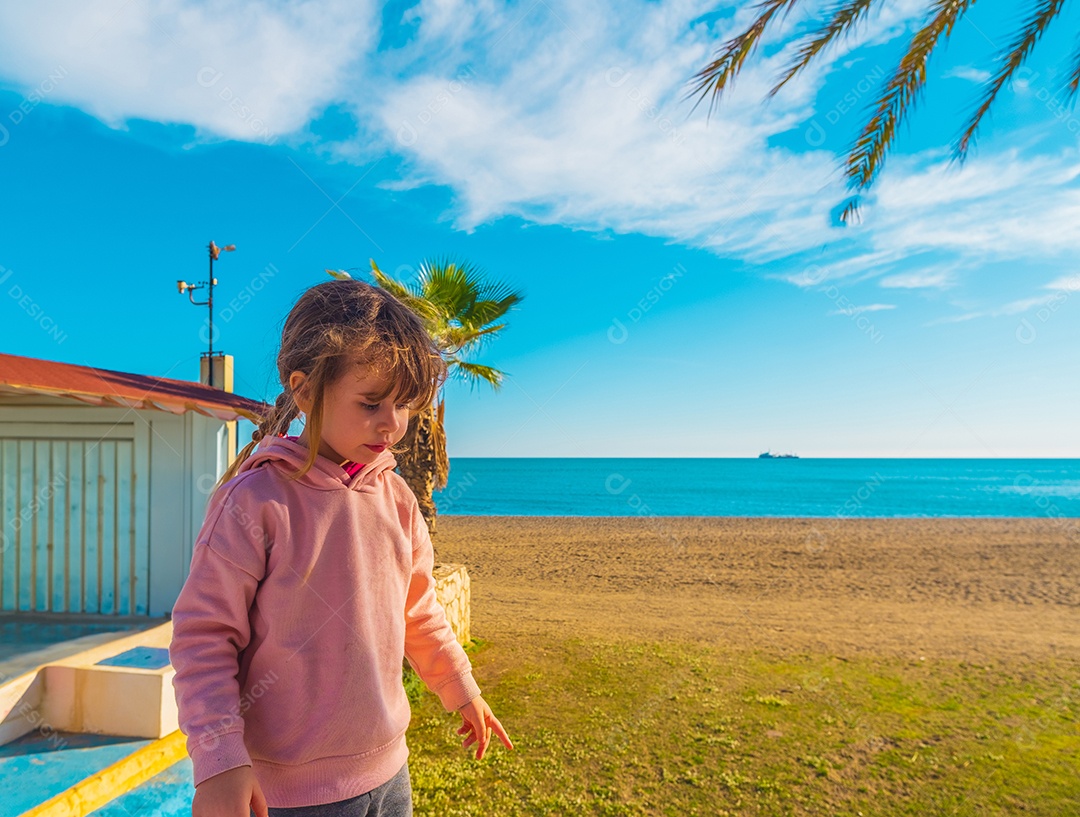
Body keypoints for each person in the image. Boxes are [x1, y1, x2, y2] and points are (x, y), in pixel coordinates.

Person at [169, 279, 512, 817]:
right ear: (303, 389)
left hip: (390, 774)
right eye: (372, 402)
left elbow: (418, 612)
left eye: (404, 405)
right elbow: (203, 640)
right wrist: (220, 763)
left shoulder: (396, 497)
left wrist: (461, 687)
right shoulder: (257, 501)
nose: (392, 424)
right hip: (291, 796)